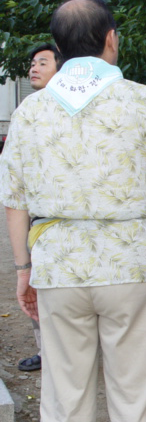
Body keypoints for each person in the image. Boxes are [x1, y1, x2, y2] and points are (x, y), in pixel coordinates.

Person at [0, 0, 146, 421]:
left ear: (58, 47)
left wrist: (24, 269)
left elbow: (14, 198)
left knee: (64, 395)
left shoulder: (29, 111)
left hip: (59, 264)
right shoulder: (144, 100)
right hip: (129, 262)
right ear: (111, 39)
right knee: (133, 396)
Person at [16, 44, 64, 374]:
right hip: (38, 220)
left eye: (42, 63)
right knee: (36, 287)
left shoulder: (66, 112)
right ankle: (46, 350)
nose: (34, 68)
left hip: (60, 220)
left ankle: (59, 353)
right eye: (33, 63)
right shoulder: (28, 110)